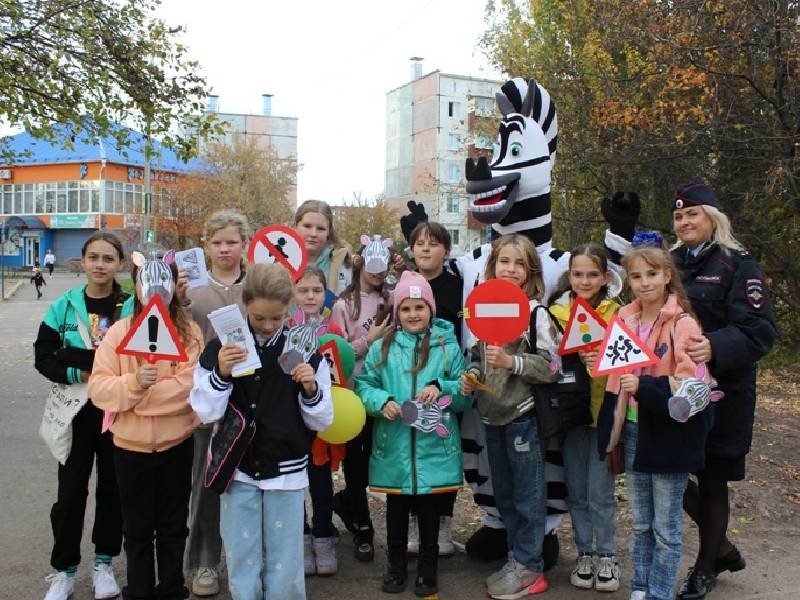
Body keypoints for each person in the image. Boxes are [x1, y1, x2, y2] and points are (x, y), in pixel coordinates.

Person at [189, 263, 333, 600]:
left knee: (285, 565)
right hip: (238, 471)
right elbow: (205, 411)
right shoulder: (221, 348)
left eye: (277, 318)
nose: (268, 326)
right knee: (242, 561)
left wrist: (311, 389)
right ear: (245, 306)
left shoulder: (306, 350)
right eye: (258, 318)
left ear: (289, 310)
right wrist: (222, 372)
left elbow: (323, 421)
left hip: (287, 474)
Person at [669, 183, 778, 600]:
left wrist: (715, 346)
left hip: (725, 393)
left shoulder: (738, 265)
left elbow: (760, 331)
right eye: (679, 216)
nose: (685, 222)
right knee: (672, 474)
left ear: (713, 217)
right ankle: (724, 547)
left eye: (692, 214)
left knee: (713, 481)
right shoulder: (672, 263)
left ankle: (705, 567)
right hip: (677, 389)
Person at [598, 236, 713, 600]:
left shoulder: (683, 324)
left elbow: (695, 385)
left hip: (668, 435)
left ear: (667, 275)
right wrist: (597, 366)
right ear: (628, 280)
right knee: (642, 522)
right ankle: (640, 587)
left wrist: (645, 386)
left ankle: (660, 592)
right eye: (636, 276)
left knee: (666, 527)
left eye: (652, 274)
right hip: (631, 430)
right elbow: (614, 374)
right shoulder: (623, 317)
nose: (644, 282)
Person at [89, 252, 202, 600]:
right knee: (136, 529)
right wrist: (134, 384)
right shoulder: (118, 333)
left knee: (172, 526)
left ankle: (171, 588)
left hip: (176, 445)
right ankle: (138, 590)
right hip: (129, 449)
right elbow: (99, 388)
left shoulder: (188, 334)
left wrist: (138, 399)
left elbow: (189, 388)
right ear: (135, 286)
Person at [356, 270, 471, 596]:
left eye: (419, 307)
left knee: (430, 512)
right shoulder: (382, 348)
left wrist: (442, 386)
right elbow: (366, 386)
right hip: (394, 445)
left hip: (435, 446)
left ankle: (428, 568)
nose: (413, 314)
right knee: (396, 509)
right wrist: (384, 402)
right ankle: (395, 566)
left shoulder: (447, 347)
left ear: (431, 310)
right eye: (405, 308)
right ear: (397, 312)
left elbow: (464, 396)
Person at [461, 234, 560, 598]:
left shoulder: (535, 313)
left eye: (519, 264)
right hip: (491, 418)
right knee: (504, 495)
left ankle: (530, 567)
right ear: (493, 265)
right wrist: (471, 377)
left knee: (528, 496)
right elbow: (477, 358)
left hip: (522, 418)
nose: (511, 269)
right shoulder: (482, 308)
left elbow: (552, 366)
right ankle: (515, 559)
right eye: (505, 261)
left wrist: (511, 361)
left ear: (530, 271)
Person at [34, 232, 132, 600]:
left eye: (108, 259)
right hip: (75, 412)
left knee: (113, 488)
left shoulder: (131, 304)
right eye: (94, 258)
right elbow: (44, 356)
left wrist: (74, 357)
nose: (100, 265)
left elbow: (139, 354)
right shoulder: (63, 305)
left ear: (119, 264)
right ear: (83, 261)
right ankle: (64, 571)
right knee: (71, 492)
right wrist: (79, 369)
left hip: (118, 411)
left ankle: (104, 563)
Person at [183, 209, 250, 597]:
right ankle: (204, 561)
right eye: (217, 242)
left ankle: (248, 558)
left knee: (250, 483)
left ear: (244, 243)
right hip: (208, 398)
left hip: (250, 398)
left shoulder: (256, 283)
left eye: (232, 241)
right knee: (206, 483)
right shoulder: (191, 290)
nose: (225, 249)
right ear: (206, 245)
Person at [548, 243, 622, 592]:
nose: (585, 280)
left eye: (593, 274)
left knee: (601, 493)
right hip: (570, 416)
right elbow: (547, 361)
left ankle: (607, 555)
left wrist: (603, 365)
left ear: (606, 277)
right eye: (578, 274)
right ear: (569, 276)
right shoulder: (555, 313)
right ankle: (585, 553)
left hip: (605, 415)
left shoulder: (618, 313)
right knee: (576, 491)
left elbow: (630, 365)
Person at [329, 241, 395, 562]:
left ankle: (345, 502)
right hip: (353, 396)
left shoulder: (392, 299)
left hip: (383, 393)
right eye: (371, 261)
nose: (377, 269)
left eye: (384, 262)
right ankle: (364, 528)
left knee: (373, 462)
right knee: (354, 463)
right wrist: (367, 341)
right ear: (359, 262)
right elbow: (337, 353)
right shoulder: (344, 305)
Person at [407, 221, 464, 556]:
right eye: (419, 243)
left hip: (445, 380)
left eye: (433, 243)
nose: (425, 249)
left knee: (444, 450)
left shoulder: (459, 288)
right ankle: (416, 522)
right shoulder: (403, 286)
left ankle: (443, 523)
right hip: (409, 381)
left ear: (446, 250)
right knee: (415, 448)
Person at [291, 266, 344, 577]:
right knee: (294, 485)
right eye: (303, 290)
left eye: (316, 290)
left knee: (321, 484)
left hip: (322, 424)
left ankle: (324, 537)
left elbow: (341, 376)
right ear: (293, 293)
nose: (310, 296)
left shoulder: (333, 332)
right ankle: (301, 536)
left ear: (325, 293)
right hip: (292, 424)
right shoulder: (283, 329)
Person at [294, 199, 352, 308]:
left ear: (328, 231)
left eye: (320, 228)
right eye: (307, 226)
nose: (313, 233)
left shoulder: (343, 263)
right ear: (296, 226)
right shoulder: (278, 261)